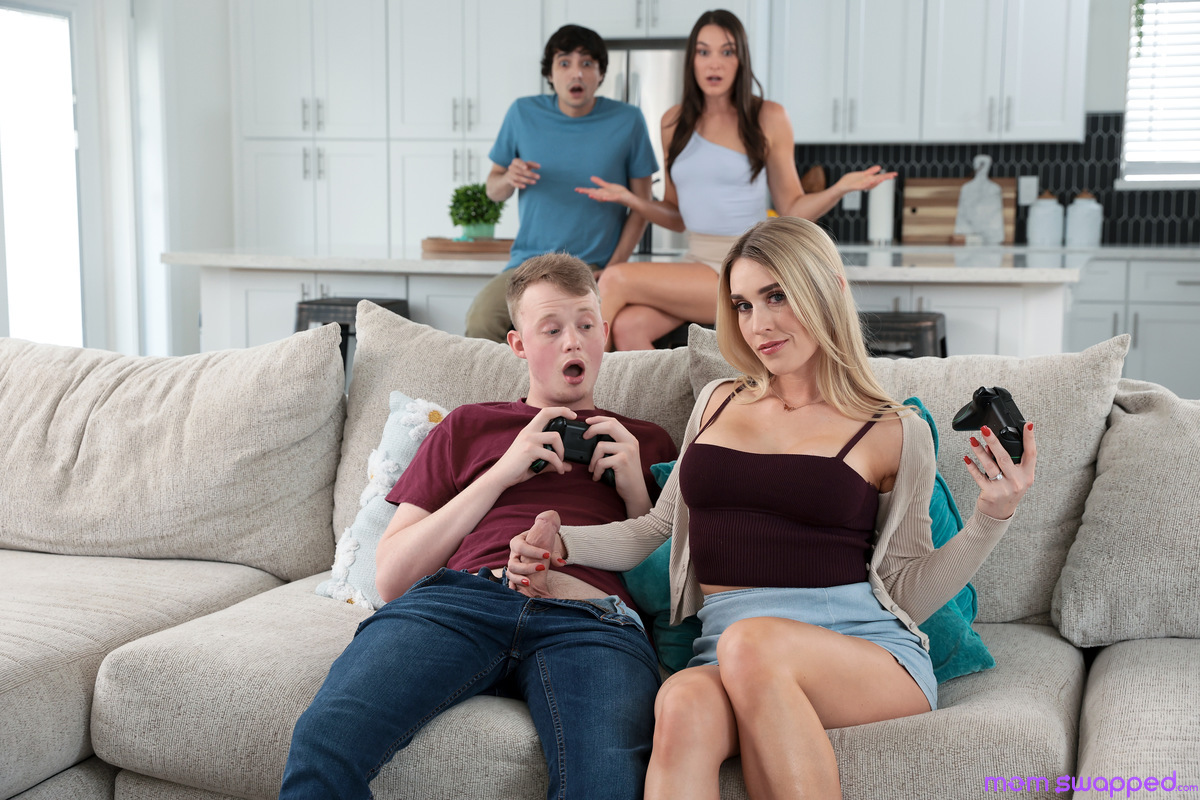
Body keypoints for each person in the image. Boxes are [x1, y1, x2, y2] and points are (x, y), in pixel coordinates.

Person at [506, 217, 1038, 799]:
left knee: (750, 644)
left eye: (777, 296)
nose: (758, 324)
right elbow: (659, 527)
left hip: (859, 653)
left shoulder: (892, 429)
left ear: (829, 288)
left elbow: (904, 589)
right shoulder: (717, 401)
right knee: (681, 700)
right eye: (742, 304)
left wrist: (992, 517)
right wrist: (564, 544)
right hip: (727, 648)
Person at [280, 254, 678, 800]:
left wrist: (635, 490)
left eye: (586, 325)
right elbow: (393, 577)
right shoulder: (467, 426)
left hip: (592, 619)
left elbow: (669, 593)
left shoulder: (647, 442)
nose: (573, 342)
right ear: (518, 344)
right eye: (552, 330)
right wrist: (501, 473)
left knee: (603, 786)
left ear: (605, 334)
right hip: (462, 602)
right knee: (324, 741)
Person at [575, 9, 897, 351]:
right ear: (692, 60)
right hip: (696, 262)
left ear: (741, 59)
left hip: (745, 265)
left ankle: (572, 374)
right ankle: (646, 391)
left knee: (616, 278)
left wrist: (839, 188)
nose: (714, 63)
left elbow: (792, 207)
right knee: (628, 326)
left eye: (726, 52)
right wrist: (631, 199)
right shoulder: (673, 122)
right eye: (704, 52)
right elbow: (677, 215)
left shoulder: (768, 117)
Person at [464, 24, 658, 343]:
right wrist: (508, 178)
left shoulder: (628, 120)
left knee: (585, 341)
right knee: (482, 321)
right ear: (550, 74)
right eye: (564, 63)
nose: (576, 73)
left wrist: (613, 270)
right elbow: (492, 189)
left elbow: (641, 207)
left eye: (587, 63)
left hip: (590, 268)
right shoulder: (522, 113)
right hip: (527, 266)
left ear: (601, 73)